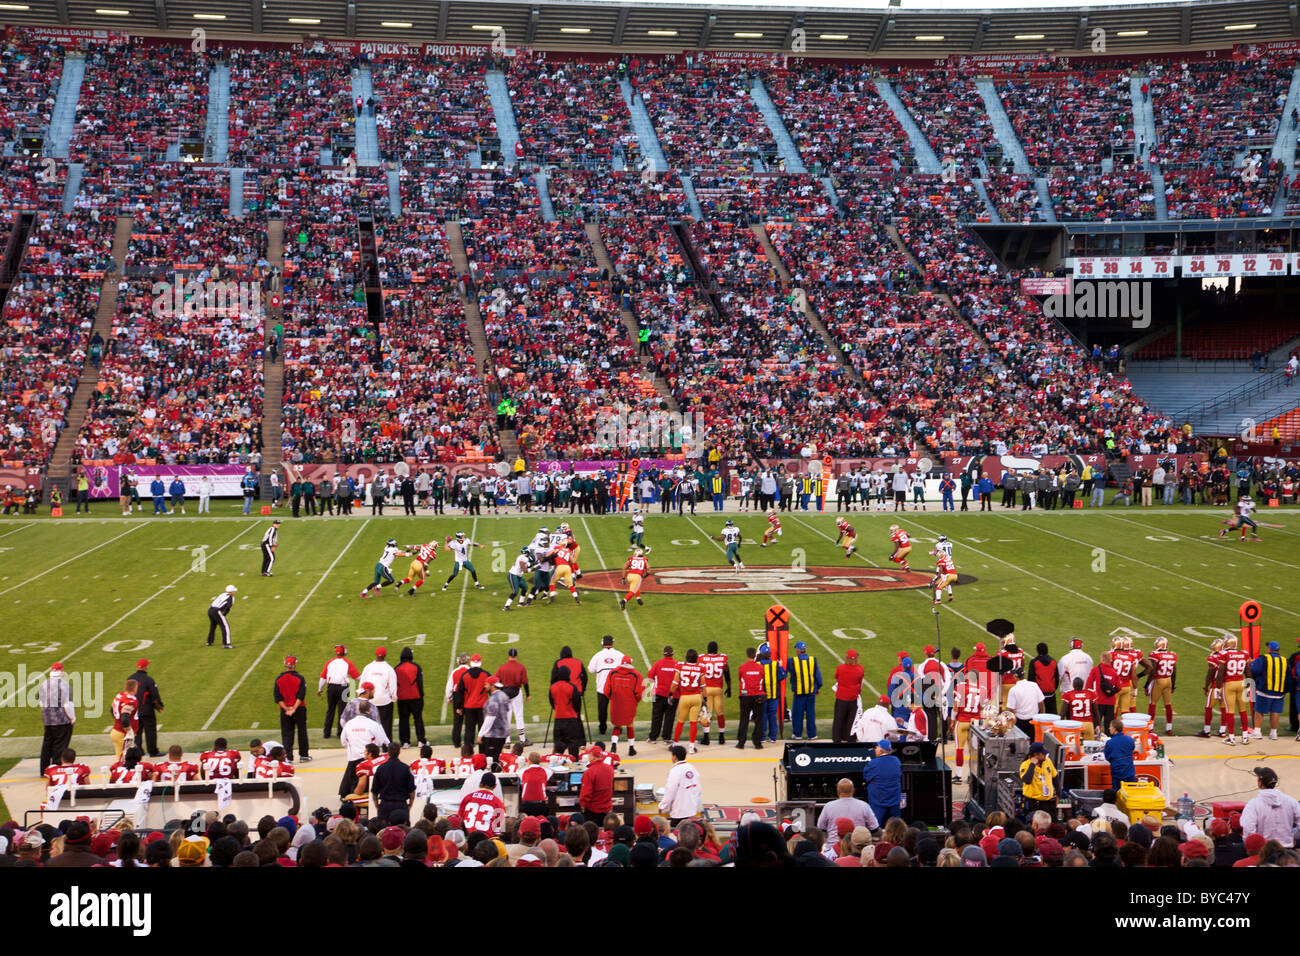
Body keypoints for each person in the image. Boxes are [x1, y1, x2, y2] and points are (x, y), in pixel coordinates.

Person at [339, 701, 389, 799]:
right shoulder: (373, 724)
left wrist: (351, 749)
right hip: (369, 760)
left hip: (353, 758)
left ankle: (350, 800)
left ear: (358, 710)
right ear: (369, 710)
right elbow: (379, 741)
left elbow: (343, 741)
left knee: (352, 786)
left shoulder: (349, 724)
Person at [1241, 766, 1300, 848]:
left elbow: (1248, 832)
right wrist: (1290, 835)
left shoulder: (1253, 805)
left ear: (1260, 783)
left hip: (1263, 853)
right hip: (1286, 852)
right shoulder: (1291, 801)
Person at [38, 663, 77, 773]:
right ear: (61, 671)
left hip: (48, 720)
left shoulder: (44, 684)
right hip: (62, 720)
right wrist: (72, 718)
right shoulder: (64, 685)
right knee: (59, 747)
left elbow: (41, 702)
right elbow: (67, 704)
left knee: (47, 745)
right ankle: (55, 771)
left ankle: (44, 770)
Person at [454, 654, 494, 758]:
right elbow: (492, 688)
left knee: (469, 731)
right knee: (483, 730)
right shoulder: (485, 674)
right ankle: (483, 754)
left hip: (469, 707)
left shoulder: (465, 675)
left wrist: (459, 707)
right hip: (482, 707)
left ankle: (468, 754)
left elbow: (459, 692)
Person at [273, 655, 310, 762]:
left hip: (284, 710)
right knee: (302, 732)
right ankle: (303, 755)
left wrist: (286, 708)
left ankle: (288, 757)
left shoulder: (279, 679)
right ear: (294, 665)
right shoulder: (300, 678)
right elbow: (301, 695)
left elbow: (277, 697)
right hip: (299, 709)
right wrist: (294, 708)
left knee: (287, 734)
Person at [318, 644, 358, 739]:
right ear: (344, 651)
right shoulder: (347, 663)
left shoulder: (329, 662)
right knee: (342, 711)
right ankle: (340, 733)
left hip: (331, 687)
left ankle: (326, 733)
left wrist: (319, 689)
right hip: (343, 687)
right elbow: (356, 676)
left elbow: (323, 677)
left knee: (330, 710)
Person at [359, 647, 399, 741]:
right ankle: (386, 748)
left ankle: (372, 748)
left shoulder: (368, 668)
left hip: (370, 700)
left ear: (376, 654)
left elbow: (362, 685)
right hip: (385, 701)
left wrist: (362, 699)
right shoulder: (389, 669)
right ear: (385, 655)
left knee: (370, 725)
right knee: (386, 725)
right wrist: (393, 699)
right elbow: (393, 688)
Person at [128, 658, 165, 757]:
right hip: (147, 710)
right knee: (150, 731)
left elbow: (127, 695)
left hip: (134, 710)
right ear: (145, 667)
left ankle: (138, 751)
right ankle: (153, 751)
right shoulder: (149, 680)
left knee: (137, 732)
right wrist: (159, 706)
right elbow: (154, 695)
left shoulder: (130, 679)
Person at [1251, 641, 1288, 741]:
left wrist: (1252, 663)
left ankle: (1257, 732)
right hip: (1279, 692)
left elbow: (1254, 670)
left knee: (1259, 711)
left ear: (1269, 649)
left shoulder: (1263, 658)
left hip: (1264, 690)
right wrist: (1285, 690)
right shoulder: (1284, 660)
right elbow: (1288, 677)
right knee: (1275, 712)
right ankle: (1273, 733)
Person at [371, 743, 415, 825]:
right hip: (401, 804)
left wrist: (377, 806)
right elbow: (412, 791)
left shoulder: (380, 769)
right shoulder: (406, 769)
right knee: (403, 832)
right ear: (399, 752)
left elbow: (374, 792)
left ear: (388, 752)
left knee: (384, 833)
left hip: (385, 805)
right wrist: (410, 805)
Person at [786, 641, 822, 741]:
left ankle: (798, 734)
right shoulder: (812, 660)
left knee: (798, 714)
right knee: (810, 714)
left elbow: (785, 670)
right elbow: (818, 676)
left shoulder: (792, 661)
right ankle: (812, 734)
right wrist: (818, 688)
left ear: (798, 650)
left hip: (799, 693)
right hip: (811, 692)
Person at [588, 635, 622, 738]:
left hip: (602, 687)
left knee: (602, 710)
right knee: (616, 709)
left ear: (602, 643)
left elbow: (591, 669)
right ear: (613, 643)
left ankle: (602, 728)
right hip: (616, 687)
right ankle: (617, 728)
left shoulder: (597, 655)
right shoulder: (620, 655)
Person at [862, 739, 902, 825]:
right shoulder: (896, 761)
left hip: (878, 804)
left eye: (876, 747)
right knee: (895, 829)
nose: (875, 750)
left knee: (876, 830)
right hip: (894, 803)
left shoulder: (873, 763)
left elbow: (866, 776)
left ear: (880, 750)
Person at [660, 744, 702, 825]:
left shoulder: (675, 771)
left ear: (675, 757)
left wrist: (662, 805)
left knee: (674, 830)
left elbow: (670, 791)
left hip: (679, 810)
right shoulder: (692, 768)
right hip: (691, 807)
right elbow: (698, 788)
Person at [550, 665, 586, 759]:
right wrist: (573, 712)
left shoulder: (553, 687)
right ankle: (574, 765)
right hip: (571, 719)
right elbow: (577, 703)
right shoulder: (572, 687)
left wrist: (558, 709)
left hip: (558, 719)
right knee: (573, 745)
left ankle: (556, 766)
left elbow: (552, 702)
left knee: (558, 746)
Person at [646, 646, 679, 744]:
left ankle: (653, 737)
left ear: (664, 654)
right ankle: (667, 738)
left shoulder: (658, 663)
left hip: (659, 693)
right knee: (670, 716)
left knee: (656, 716)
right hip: (673, 695)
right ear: (672, 654)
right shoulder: (677, 665)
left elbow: (650, 676)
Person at [735, 647, 766, 750]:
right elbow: (762, 678)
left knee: (744, 719)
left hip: (745, 695)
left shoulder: (742, 667)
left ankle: (741, 742)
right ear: (755, 655)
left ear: (747, 655)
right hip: (758, 695)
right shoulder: (761, 668)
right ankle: (757, 743)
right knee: (759, 720)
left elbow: (740, 678)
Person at [395, 647, 426, 748]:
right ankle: (421, 740)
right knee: (418, 718)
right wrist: (421, 695)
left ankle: (405, 742)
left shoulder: (397, 668)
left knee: (403, 720)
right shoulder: (416, 667)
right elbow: (419, 683)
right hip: (415, 697)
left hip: (401, 698)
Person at [832, 649, 864, 743]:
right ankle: (850, 738)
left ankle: (837, 738)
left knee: (838, 719)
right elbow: (859, 681)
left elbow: (837, 677)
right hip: (853, 698)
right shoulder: (860, 669)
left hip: (841, 697)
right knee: (851, 720)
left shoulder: (840, 668)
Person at [1019, 742, 1058, 820]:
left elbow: (1055, 777)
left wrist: (1058, 795)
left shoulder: (1047, 761)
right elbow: (1027, 780)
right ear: (1036, 755)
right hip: (1034, 803)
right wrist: (1032, 765)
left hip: (1048, 803)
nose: (1045, 755)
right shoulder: (1025, 765)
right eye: (1043, 754)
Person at [579, 745, 615, 821]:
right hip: (607, 809)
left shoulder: (589, 772)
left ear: (593, 757)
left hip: (593, 810)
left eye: (589, 754)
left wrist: (583, 805)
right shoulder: (610, 769)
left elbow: (586, 793)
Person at [478, 679, 511, 760]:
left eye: (486, 684)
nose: (485, 686)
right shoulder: (504, 695)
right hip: (502, 734)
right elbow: (507, 714)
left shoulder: (493, 699)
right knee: (497, 758)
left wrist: (481, 734)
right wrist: (507, 728)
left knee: (490, 760)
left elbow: (490, 718)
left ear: (492, 686)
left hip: (493, 735)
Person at [109, 679, 139, 761]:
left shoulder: (120, 695)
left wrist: (117, 722)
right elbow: (125, 717)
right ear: (134, 688)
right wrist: (129, 731)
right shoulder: (130, 700)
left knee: (121, 758)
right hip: (123, 734)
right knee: (125, 760)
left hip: (116, 731)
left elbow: (112, 710)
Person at [1104, 718, 1137, 786]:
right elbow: (1132, 750)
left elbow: (1107, 757)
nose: (1109, 728)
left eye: (1110, 727)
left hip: (1117, 773)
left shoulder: (1110, 742)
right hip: (1130, 771)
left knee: (1118, 793)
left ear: (1114, 728)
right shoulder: (1130, 740)